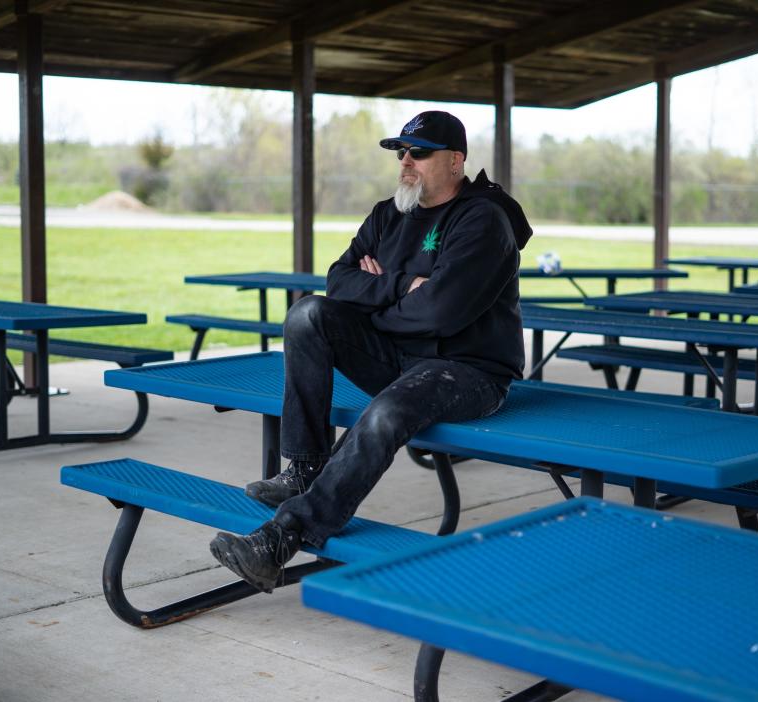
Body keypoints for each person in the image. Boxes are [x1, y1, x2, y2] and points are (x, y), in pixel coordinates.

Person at [210, 110, 533, 592]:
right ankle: (304, 466)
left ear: (455, 160)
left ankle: (283, 537)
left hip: (469, 370)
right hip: (400, 356)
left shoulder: (483, 220)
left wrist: (377, 298)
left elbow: (441, 312)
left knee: (384, 413)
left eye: (418, 153)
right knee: (307, 315)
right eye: (400, 151)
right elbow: (338, 280)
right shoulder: (390, 212)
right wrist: (403, 287)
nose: (406, 161)